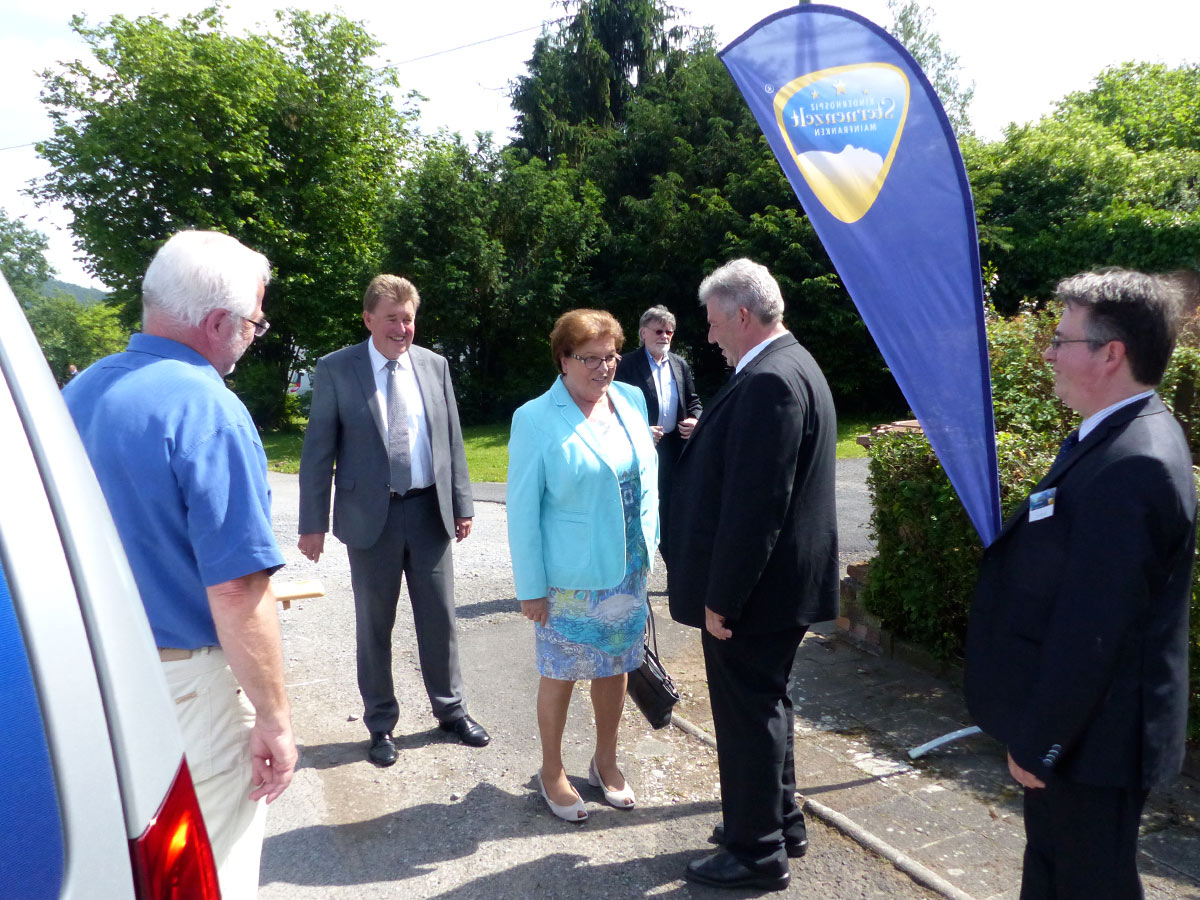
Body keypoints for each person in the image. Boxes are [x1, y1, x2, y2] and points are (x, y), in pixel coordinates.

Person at [63, 230, 296, 900]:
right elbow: (236, 587)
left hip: (89, 672)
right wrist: (275, 718)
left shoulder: (76, 397)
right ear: (219, 323)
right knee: (206, 869)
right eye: (255, 322)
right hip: (182, 684)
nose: (255, 336)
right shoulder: (211, 412)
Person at [965, 268, 1197, 900]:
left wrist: (1041, 741)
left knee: (1087, 881)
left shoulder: (1136, 462)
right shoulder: (1115, 436)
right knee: (1056, 872)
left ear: (1111, 354)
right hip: (1089, 735)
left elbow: (1094, 631)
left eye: (1062, 340)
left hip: (1095, 742)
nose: (1048, 352)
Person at [668, 258, 838, 891]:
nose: (709, 337)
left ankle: (756, 851)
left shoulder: (771, 379)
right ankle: (779, 819)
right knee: (766, 705)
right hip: (778, 589)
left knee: (747, 717)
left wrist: (724, 598)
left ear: (742, 315)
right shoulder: (789, 364)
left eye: (714, 324)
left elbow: (757, 504)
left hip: (758, 595)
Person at [298, 275, 489, 766]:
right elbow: (318, 452)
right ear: (368, 320)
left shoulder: (435, 365)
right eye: (392, 319)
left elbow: (451, 441)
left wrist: (462, 502)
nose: (402, 328)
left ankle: (451, 712)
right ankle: (381, 724)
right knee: (374, 625)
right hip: (370, 519)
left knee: (440, 619)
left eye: (408, 319)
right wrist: (312, 522)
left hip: (428, 512)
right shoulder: (337, 369)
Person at [507, 309, 659, 822]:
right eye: (589, 358)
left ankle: (605, 761)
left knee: (617, 667)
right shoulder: (535, 417)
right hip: (569, 580)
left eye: (610, 356)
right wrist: (530, 588)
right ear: (563, 359)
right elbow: (523, 512)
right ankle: (552, 771)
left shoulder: (631, 401)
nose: (602, 368)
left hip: (629, 566)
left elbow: (646, 478)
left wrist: (651, 544)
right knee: (562, 673)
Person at [614, 305, 702, 564]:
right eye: (659, 331)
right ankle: (639, 563)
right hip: (640, 447)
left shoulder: (679, 364)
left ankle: (674, 567)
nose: (665, 336)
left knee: (675, 508)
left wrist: (695, 420)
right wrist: (639, 430)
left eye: (670, 332)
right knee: (644, 505)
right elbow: (612, 405)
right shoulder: (626, 365)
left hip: (675, 448)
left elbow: (694, 401)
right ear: (643, 332)